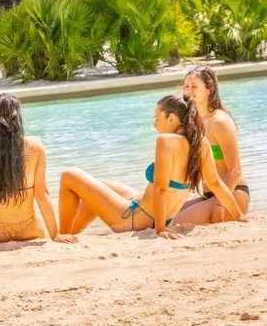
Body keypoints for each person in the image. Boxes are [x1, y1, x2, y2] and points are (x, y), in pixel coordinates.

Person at [58, 94, 247, 238]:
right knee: (97, 185)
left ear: (172, 119)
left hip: (132, 219)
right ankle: (72, 235)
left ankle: (63, 237)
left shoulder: (166, 141)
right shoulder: (201, 143)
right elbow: (215, 183)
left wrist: (160, 230)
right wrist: (238, 215)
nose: (154, 124)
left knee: (69, 175)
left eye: (157, 118)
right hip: (143, 209)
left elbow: (161, 188)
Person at [0, 94, 74, 247]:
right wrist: (55, 234)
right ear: (18, 117)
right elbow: (41, 193)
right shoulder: (36, 146)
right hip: (29, 228)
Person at [173, 66, 251, 224]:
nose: (189, 91)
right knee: (165, 218)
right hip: (209, 194)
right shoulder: (193, 122)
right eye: (186, 87)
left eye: (195, 87)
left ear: (209, 89)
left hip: (233, 194)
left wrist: (220, 203)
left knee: (177, 223)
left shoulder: (220, 121)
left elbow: (234, 170)